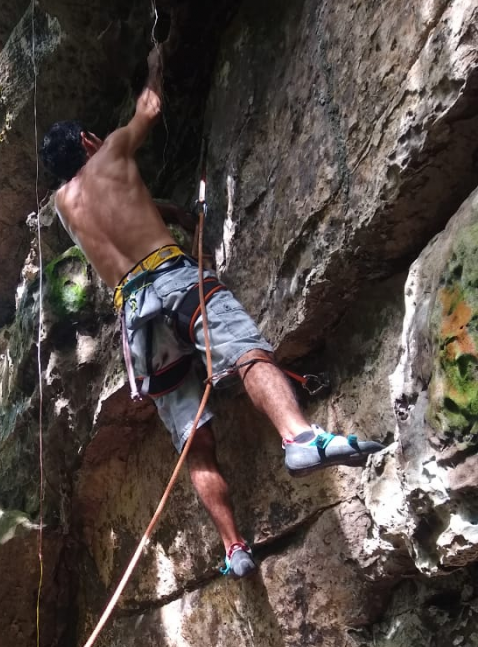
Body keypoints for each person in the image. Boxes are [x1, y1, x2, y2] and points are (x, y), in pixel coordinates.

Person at [39, 46, 385, 579]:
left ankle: (234, 548)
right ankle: (299, 438)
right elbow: (150, 108)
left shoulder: (65, 207)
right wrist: (155, 61)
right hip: (175, 281)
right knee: (244, 349)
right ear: (88, 141)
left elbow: (118, 207)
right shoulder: (109, 152)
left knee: (192, 437)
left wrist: (168, 210)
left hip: (136, 318)